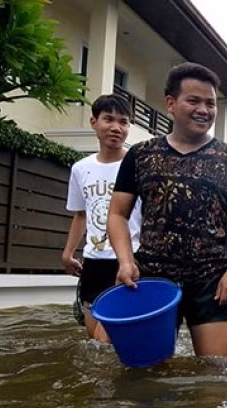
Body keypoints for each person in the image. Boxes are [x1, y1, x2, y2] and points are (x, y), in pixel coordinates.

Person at [106, 62, 227, 359]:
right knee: (144, 375)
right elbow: (117, 214)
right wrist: (125, 261)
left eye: (210, 103)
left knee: (216, 376)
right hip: (151, 277)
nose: (204, 110)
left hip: (212, 279)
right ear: (171, 104)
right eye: (194, 101)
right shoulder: (140, 155)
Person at [61, 94, 141, 342]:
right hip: (93, 261)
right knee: (94, 342)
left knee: (105, 340)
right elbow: (80, 214)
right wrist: (68, 253)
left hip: (129, 260)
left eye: (124, 122)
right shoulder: (81, 168)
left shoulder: (138, 165)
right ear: (94, 121)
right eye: (109, 119)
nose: (117, 127)